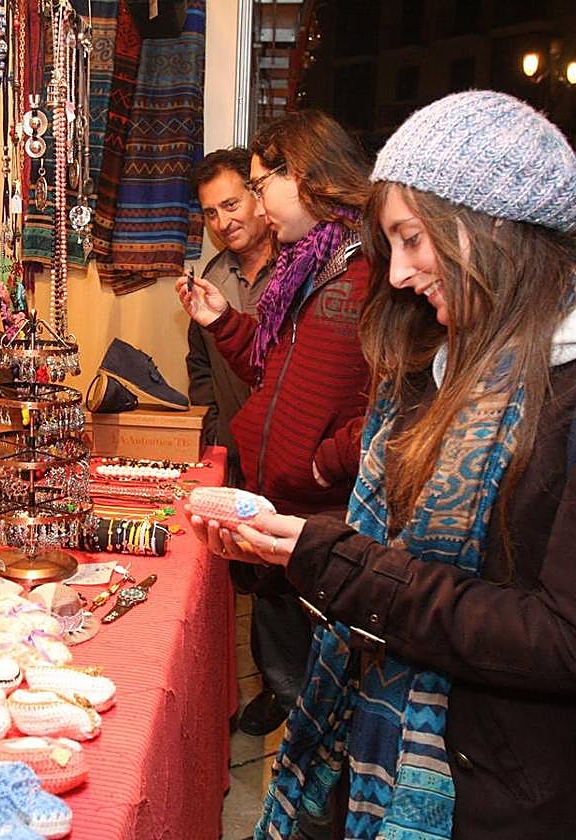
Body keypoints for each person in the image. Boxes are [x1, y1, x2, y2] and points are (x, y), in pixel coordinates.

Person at [195, 91, 576, 839]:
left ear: (493, 224)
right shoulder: (451, 354)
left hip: (521, 802)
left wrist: (336, 561)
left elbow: (573, 643)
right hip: (390, 747)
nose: (400, 275)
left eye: (413, 239)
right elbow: (416, 545)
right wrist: (300, 541)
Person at [177, 112, 371, 736]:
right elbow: (273, 369)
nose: (253, 205)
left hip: (328, 507)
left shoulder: (369, 273)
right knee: (286, 636)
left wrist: (325, 461)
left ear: (307, 175)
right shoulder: (308, 267)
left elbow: (395, 408)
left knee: (340, 687)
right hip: (284, 495)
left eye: (259, 187)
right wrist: (222, 322)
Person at [185, 148, 274, 489]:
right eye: (210, 213)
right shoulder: (212, 276)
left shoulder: (299, 270)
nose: (222, 224)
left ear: (259, 197)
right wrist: (215, 431)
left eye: (230, 205)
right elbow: (200, 366)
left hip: (294, 464)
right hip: (234, 461)